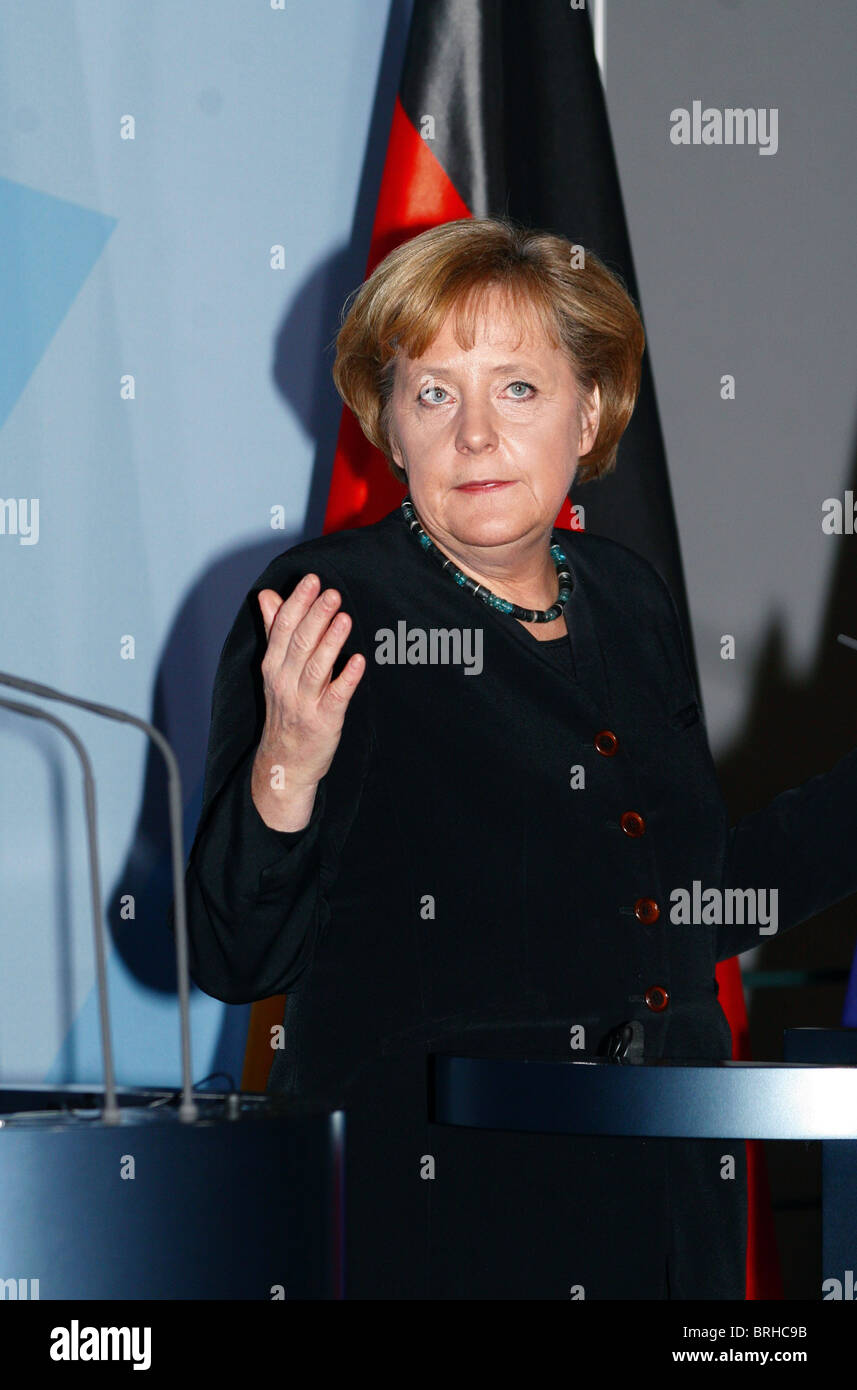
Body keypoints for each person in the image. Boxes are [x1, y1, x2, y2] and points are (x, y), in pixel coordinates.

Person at [180, 217, 857, 1299]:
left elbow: (682, 905)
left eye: (517, 389)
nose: (475, 436)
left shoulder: (626, 599)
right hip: (446, 1212)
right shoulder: (327, 605)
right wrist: (286, 769)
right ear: (388, 426)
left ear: (589, 411)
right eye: (434, 393)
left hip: (665, 1199)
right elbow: (232, 956)